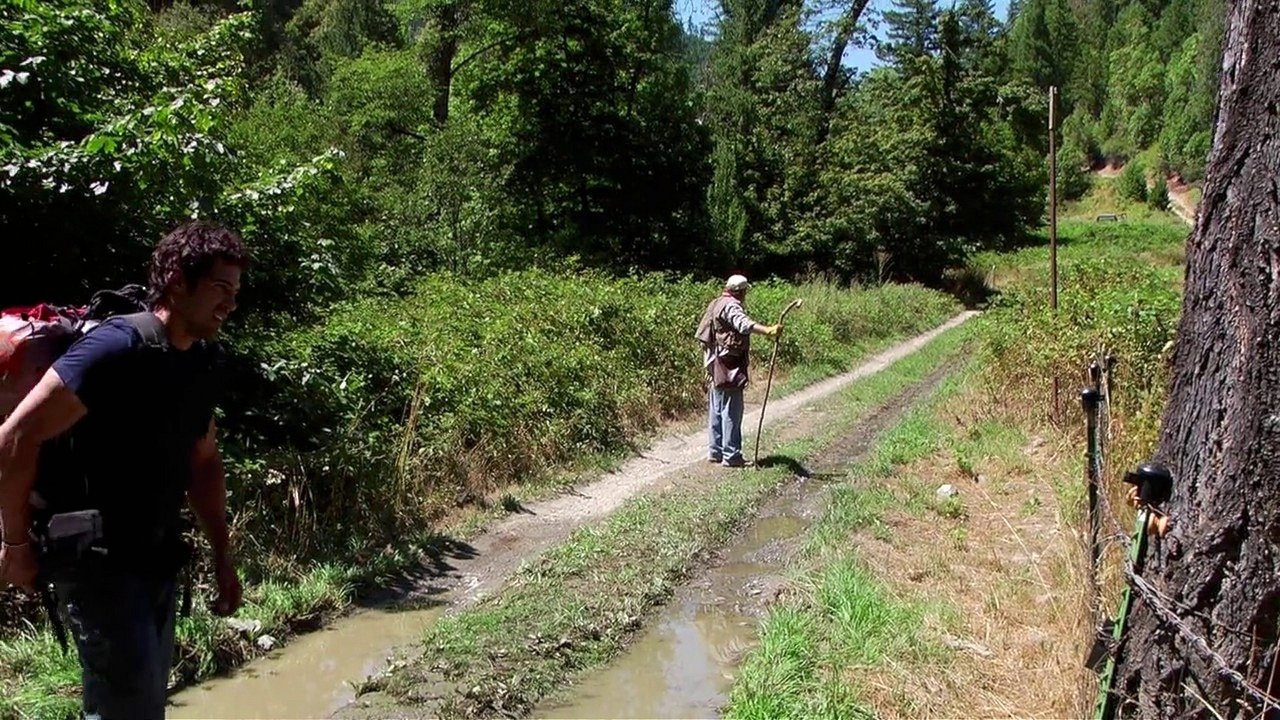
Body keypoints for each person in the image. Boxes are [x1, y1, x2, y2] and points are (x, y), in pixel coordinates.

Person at [0, 221, 248, 719]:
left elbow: (204, 463)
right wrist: (16, 545)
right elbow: (16, 436)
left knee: (142, 703)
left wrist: (223, 554)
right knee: (127, 709)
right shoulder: (115, 350)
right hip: (94, 560)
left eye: (236, 292)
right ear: (178, 280)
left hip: (155, 554)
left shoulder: (202, 363)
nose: (231, 304)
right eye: (221, 288)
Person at [695, 274, 780, 468]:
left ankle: (716, 452)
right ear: (741, 291)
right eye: (745, 292)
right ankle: (732, 456)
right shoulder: (732, 305)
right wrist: (767, 330)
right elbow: (743, 324)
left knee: (717, 408)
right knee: (732, 410)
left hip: (714, 363)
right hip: (727, 364)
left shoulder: (717, 302)